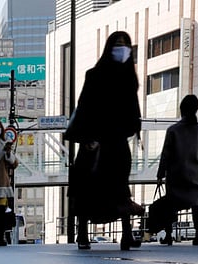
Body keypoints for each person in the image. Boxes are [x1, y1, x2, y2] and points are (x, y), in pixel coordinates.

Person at [64, 31, 143, 251]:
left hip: (117, 141)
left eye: (126, 45)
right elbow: (84, 107)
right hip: (96, 140)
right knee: (89, 188)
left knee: (119, 186)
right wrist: (87, 137)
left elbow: (133, 111)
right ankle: (83, 234)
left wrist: (134, 128)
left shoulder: (129, 78)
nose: (122, 49)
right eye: (118, 44)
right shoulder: (95, 75)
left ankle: (126, 234)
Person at [157, 95, 198, 246]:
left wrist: (161, 174)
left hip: (177, 173)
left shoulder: (173, 130)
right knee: (197, 205)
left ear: (181, 110)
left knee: (171, 204)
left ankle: (168, 235)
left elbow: (165, 154)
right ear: (196, 109)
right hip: (197, 174)